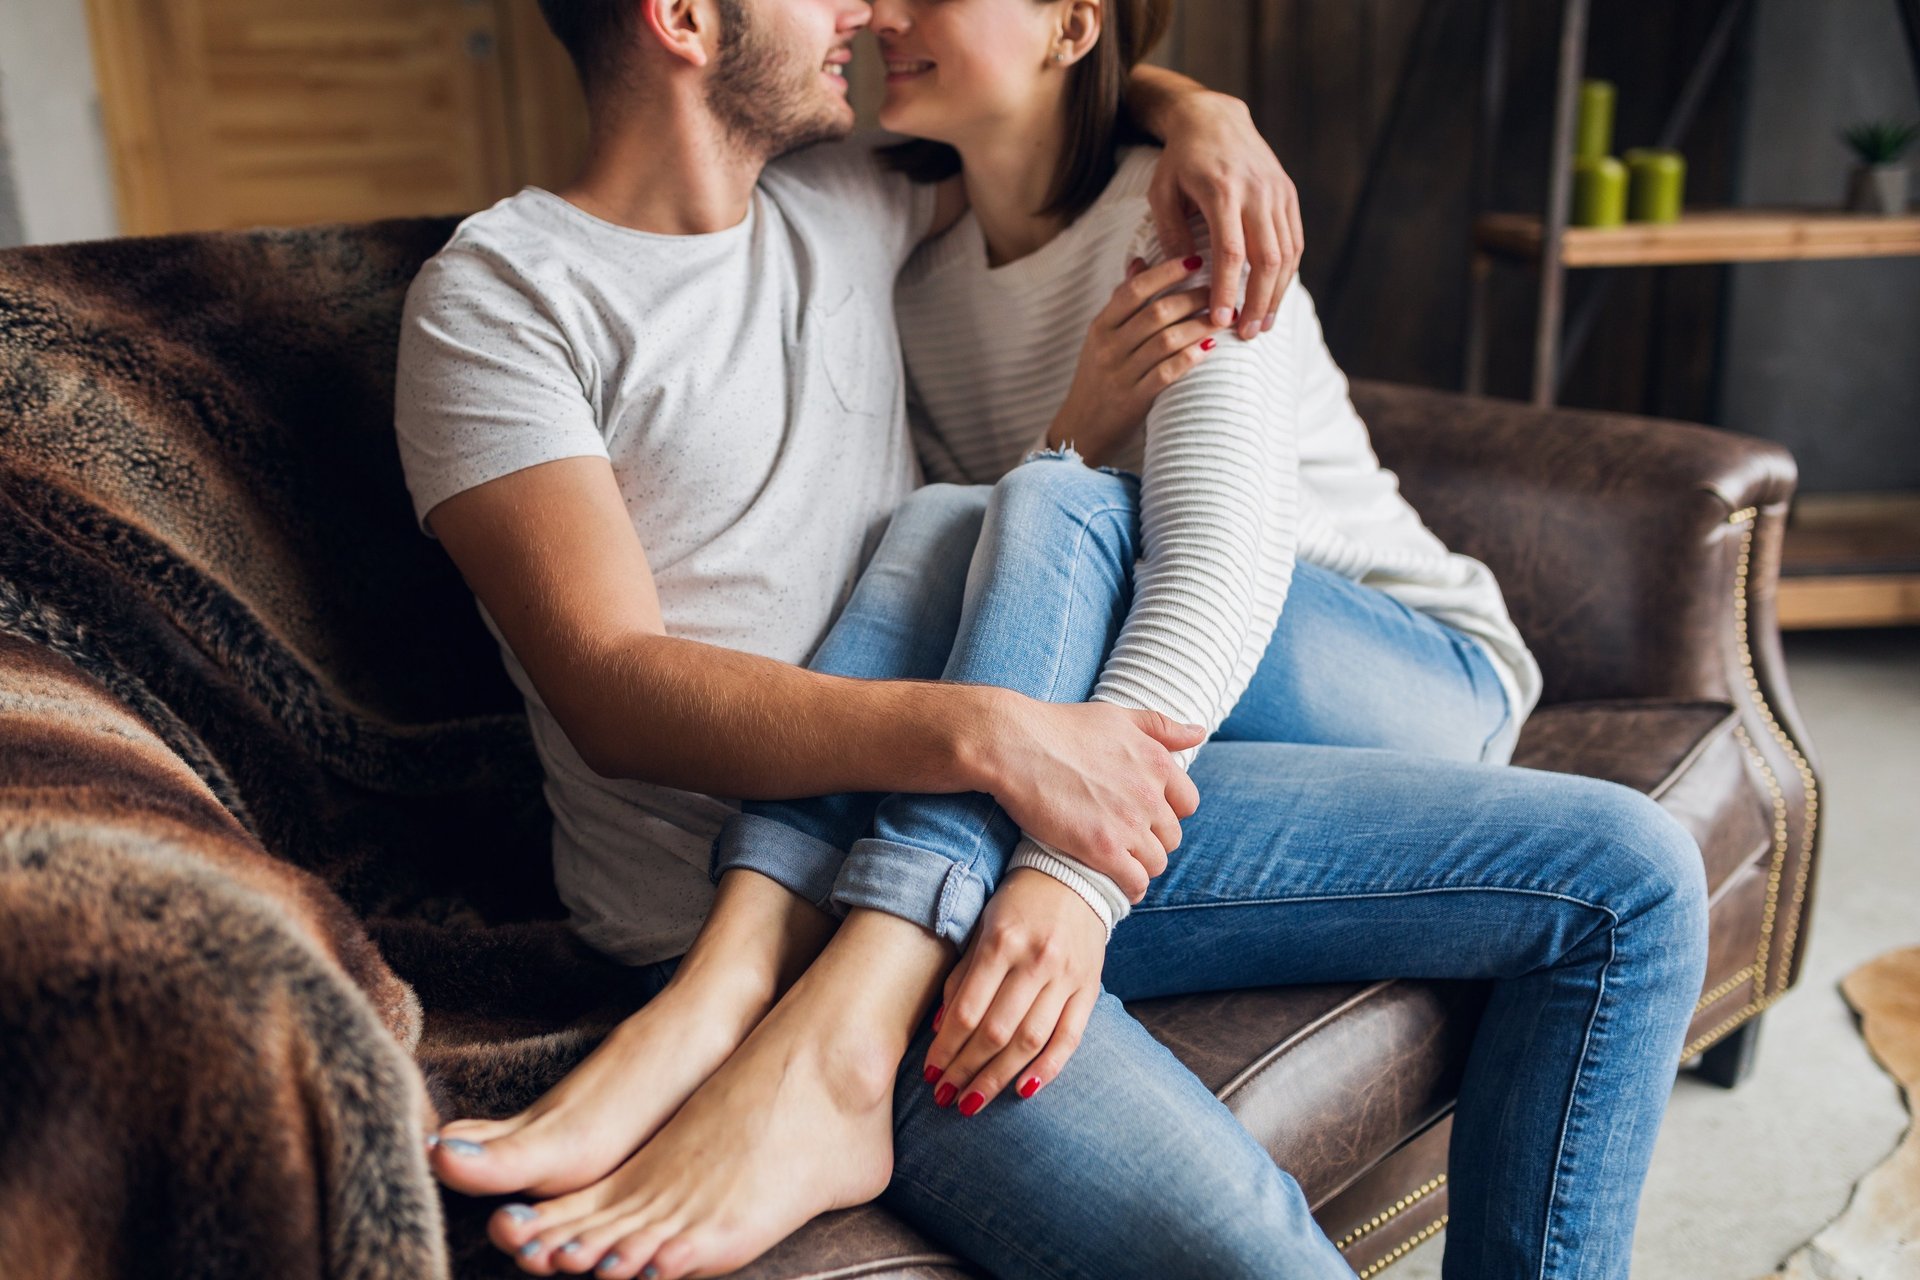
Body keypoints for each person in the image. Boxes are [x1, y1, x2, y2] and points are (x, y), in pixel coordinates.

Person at [396, 2, 1710, 1278]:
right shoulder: (505, 293)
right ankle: (749, 986)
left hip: (964, 826)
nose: (866, 6)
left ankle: (834, 1019)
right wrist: (996, 732)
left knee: (1632, 873)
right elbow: (612, 689)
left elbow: (1039, 87)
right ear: (683, 18)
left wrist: (1203, 110)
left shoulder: (848, 200)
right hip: (773, 872)